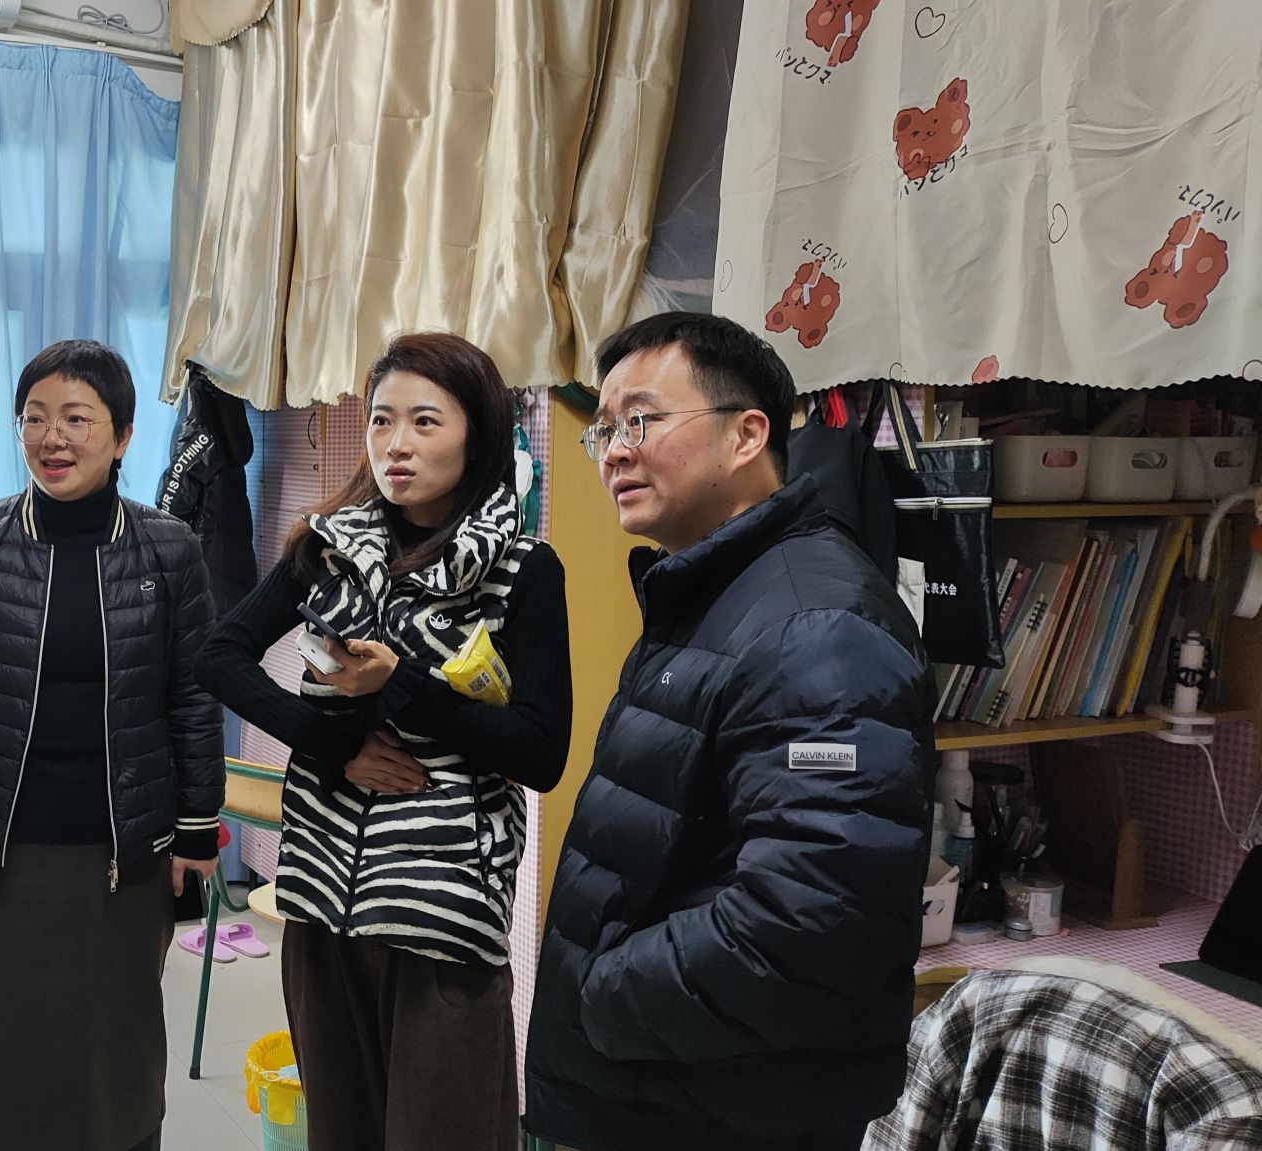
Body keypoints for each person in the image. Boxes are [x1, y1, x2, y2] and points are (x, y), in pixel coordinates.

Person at [524, 312, 935, 1151]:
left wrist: (603, 991)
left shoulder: (816, 627)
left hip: (718, 1108)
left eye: (641, 419)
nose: (613, 451)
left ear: (748, 434)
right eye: (604, 429)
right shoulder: (721, 592)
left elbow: (812, 921)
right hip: (668, 1087)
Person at [198, 332, 572, 1151]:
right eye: (381, 419)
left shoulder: (524, 569)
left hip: (443, 917)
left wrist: (403, 684)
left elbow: (541, 753)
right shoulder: (328, 548)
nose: (396, 443)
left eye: (425, 421)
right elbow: (218, 655)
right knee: (340, 1133)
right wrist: (332, 746)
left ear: (477, 432)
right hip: (321, 900)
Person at [0, 339, 225, 1151]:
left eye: (77, 419)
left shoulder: (169, 549)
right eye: (35, 418)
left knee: (115, 1057)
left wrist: (197, 829)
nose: (53, 437)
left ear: (122, 436)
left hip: (124, 856)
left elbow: (193, 697)